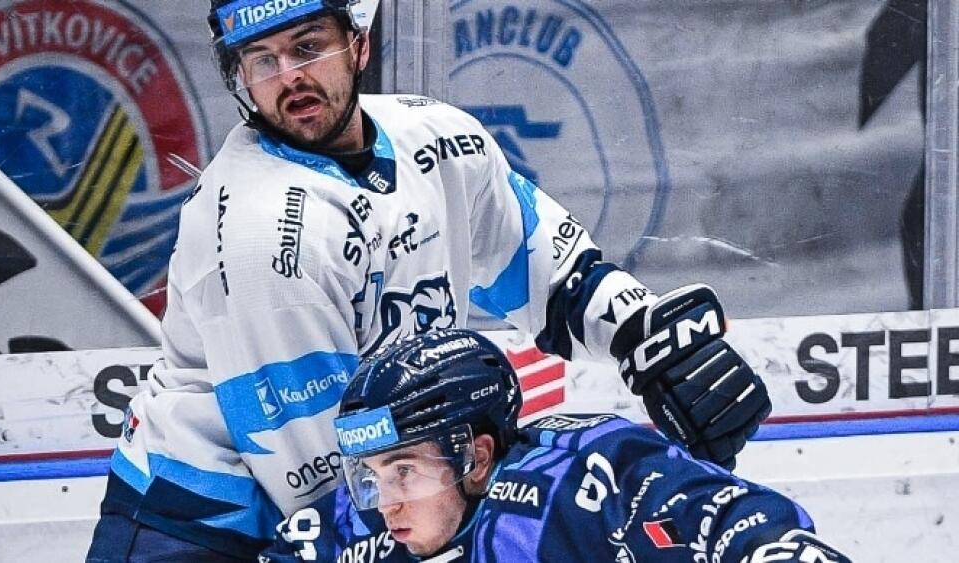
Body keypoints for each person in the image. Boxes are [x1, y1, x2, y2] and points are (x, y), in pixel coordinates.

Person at [88, 0, 771, 560]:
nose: (288, 77)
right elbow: (337, 488)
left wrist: (648, 341)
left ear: (358, 42)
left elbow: (554, 274)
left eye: (308, 46)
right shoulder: (261, 235)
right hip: (200, 531)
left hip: (368, 490)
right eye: (261, 59)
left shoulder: (437, 137)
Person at [262, 328, 849, 563]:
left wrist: (769, 550)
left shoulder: (573, 477)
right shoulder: (363, 525)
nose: (385, 500)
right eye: (370, 474)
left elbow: (721, 519)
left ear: (477, 458)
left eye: (404, 470)